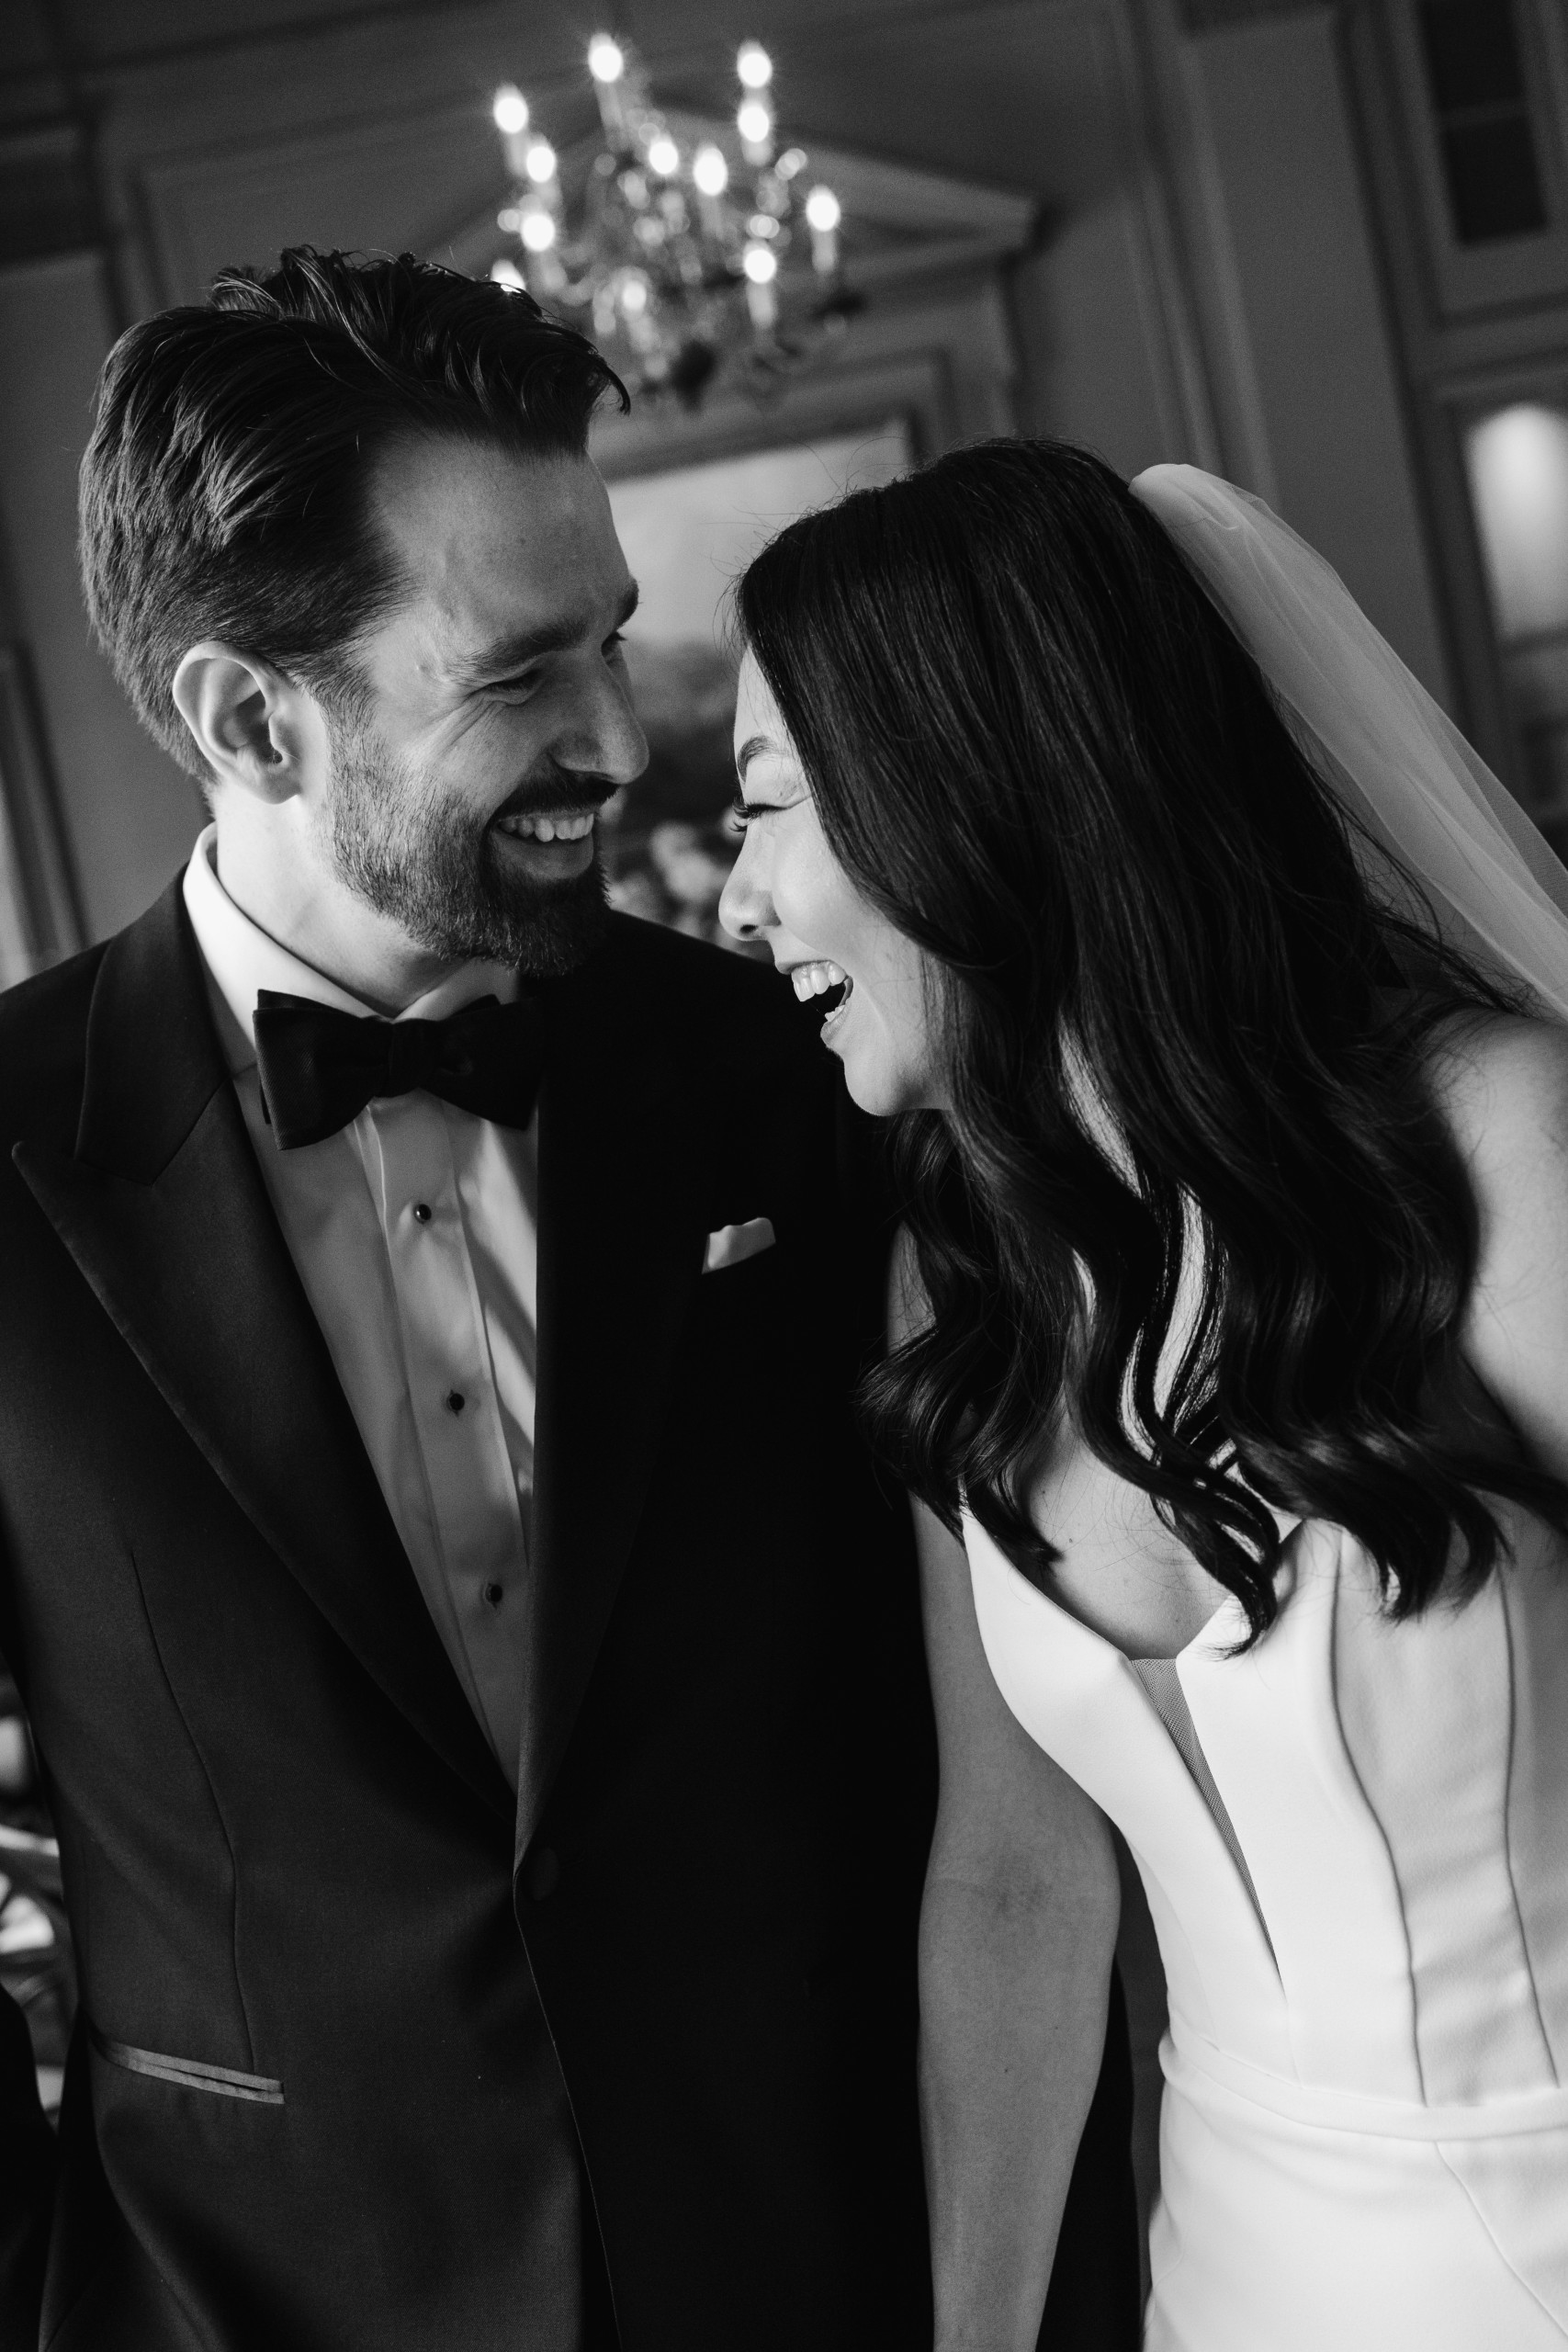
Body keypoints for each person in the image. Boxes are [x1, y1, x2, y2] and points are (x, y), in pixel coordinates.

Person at [0, 263, 1139, 2347]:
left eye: (610, 637)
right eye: (517, 672)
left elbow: (992, 1777)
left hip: (832, 2258)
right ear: (248, 718)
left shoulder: (786, 1067)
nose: (622, 736)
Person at [718, 436, 1568, 2351]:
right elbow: (1013, 1873)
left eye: (767, 807)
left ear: (952, 791)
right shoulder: (960, 1279)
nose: (733, 900)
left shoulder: (1501, 1146)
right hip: (1230, 2262)